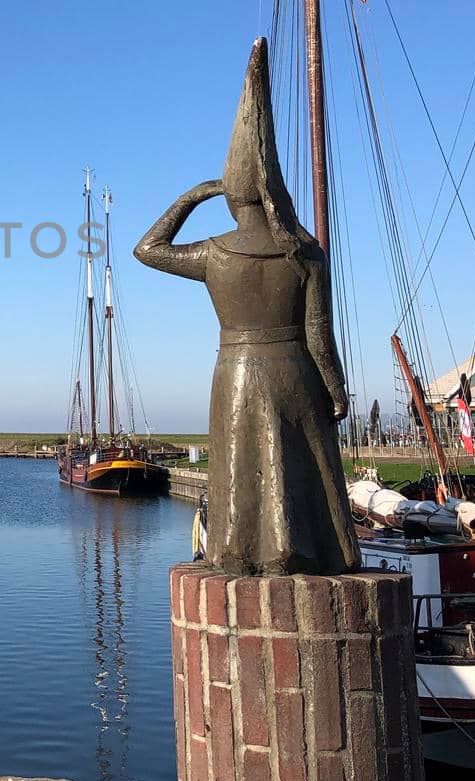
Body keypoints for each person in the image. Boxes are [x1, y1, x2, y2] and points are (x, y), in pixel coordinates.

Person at [135, 38, 359, 576]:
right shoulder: (305, 253)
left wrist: (192, 196)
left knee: (241, 467)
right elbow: (319, 337)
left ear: (232, 196)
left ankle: (235, 553)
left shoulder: (215, 253)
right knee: (304, 467)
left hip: (234, 370)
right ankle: (316, 552)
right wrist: (336, 390)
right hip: (296, 372)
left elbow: (148, 249)